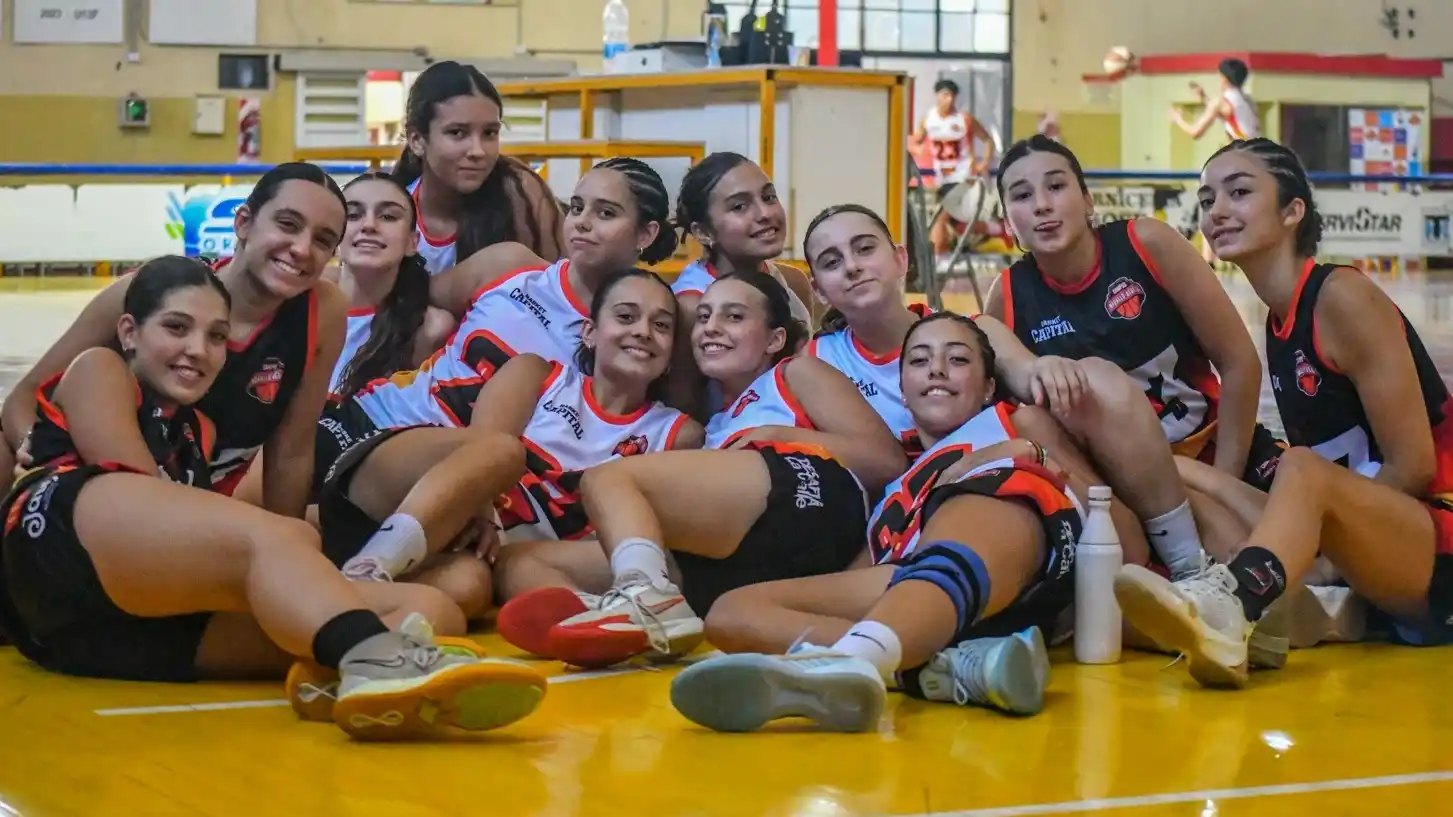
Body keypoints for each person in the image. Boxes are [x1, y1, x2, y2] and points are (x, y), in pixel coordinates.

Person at [0, 257, 546, 740]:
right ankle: (374, 659)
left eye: (216, 337)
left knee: (429, 608)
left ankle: (337, 672)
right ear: (129, 330)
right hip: (55, 556)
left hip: (105, 639)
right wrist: (285, 558)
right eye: (176, 328)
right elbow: (138, 491)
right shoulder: (100, 370)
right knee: (289, 538)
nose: (198, 350)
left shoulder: (201, 436)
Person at [668, 313, 1143, 731]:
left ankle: (854, 663)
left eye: (957, 360)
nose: (936, 369)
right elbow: (855, 578)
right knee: (730, 613)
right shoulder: (894, 478)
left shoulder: (1017, 423)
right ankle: (935, 669)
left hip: (1017, 556)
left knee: (987, 491)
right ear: (902, 386)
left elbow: (1126, 537)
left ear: (989, 385)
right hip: (911, 582)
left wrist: (1025, 454)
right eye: (918, 360)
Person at [1114, 137, 1453, 688]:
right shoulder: (1279, 323)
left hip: (1433, 545)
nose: (1216, 210)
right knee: (1179, 472)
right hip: (1360, 542)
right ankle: (1262, 605)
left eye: (1239, 192)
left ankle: (1234, 607)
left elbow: (1414, 465)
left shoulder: (1342, 296)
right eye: (1206, 200)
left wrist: (1327, 551)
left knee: (1297, 469)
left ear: (1293, 210)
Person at [501, 271, 908, 668]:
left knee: (609, 478)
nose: (712, 328)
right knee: (518, 561)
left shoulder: (792, 374)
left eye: (733, 316)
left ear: (774, 339)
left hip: (813, 497)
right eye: (703, 317)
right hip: (753, 560)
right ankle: (602, 621)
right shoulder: (708, 426)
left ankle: (643, 597)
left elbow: (887, 461)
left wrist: (781, 434)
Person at [318, 270, 698, 620]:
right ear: (590, 332)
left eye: (661, 326)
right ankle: (367, 566)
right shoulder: (538, 373)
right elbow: (479, 447)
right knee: (504, 452)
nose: (644, 331)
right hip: (429, 492)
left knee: (467, 590)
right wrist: (480, 510)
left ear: (670, 357)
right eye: (626, 317)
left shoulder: (678, 434)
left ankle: (598, 622)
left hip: (490, 554)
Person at [985, 135, 1280, 577]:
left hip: (1213, 452)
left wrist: (1226, 479)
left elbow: (1239, 362)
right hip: (1123, 483)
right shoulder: (1006, 298)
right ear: (1009, 223)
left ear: (1087, 201)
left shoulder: (1146, 243)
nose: (1042, 205)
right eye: (1023, 196)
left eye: (1056, 187)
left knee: (1312, 551)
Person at [3, 163, 351, 517]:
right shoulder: (146, 293)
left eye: (323, 240)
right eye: (287, 224)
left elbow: (291, 451)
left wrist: (284, 542)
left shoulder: (323, 310)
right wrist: (30, 450)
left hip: (191, 498)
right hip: (106, 489)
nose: (302, 248)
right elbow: (25, 396)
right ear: (243, 222)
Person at [419, 158, 681, 393]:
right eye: (577, 208)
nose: (582, 222)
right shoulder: (509, 265)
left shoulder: (640, 330)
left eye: (606, 213)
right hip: (398, 411)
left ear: (645, 234)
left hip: (483, 442)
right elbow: (409, 304)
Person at [668, 152, 816, 416]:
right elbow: (682, 409)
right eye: (739, 206)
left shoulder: (794, 282)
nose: (765, 213)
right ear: (703, 231)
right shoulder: (690, 306)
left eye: (768, 197)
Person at [393, 60, 563, 270]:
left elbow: (558, 293)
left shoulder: (521, 194)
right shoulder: (389, 210)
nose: (478, 151)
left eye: (490, 133)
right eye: (457, 133)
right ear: (417, 140)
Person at [800, 204, 932, 452]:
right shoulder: (815, 361)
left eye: (865, 249)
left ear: (900, 259)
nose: (851, 267)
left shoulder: (968, 334)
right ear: (818, 290)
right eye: (831, 262)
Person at [330, 172, 454, 398]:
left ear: (412, 243)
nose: (369, 225)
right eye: (354, 215)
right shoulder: (297, 302)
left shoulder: (429, 329)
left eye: (388, 217)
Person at [910, 79, 997, 264]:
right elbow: (917, 140)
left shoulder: (964, 119)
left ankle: (939, 260)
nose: (949, 100)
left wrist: (984, 164)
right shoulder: (928, 120)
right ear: (937, 96)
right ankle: (997, 229)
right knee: (958, 224)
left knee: (940, 217)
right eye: (945, 95)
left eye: (952, 96)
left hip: (963, 177)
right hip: (941, 178)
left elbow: (988, 141)